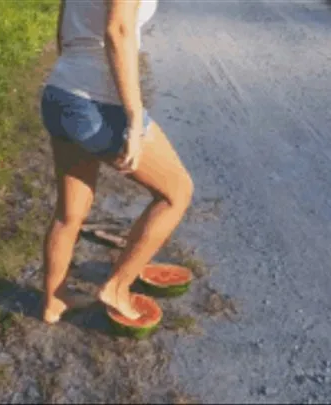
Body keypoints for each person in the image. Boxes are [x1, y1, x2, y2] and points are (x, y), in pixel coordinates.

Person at [39, 0, 194, 324]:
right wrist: (135, 118)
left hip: (60, 93)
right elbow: (118, 29)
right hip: (97, 102)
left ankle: (55, 301)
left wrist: (74, 78)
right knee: (176, 193)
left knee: (69, 214)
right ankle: (117, 288)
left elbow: (63, 30)